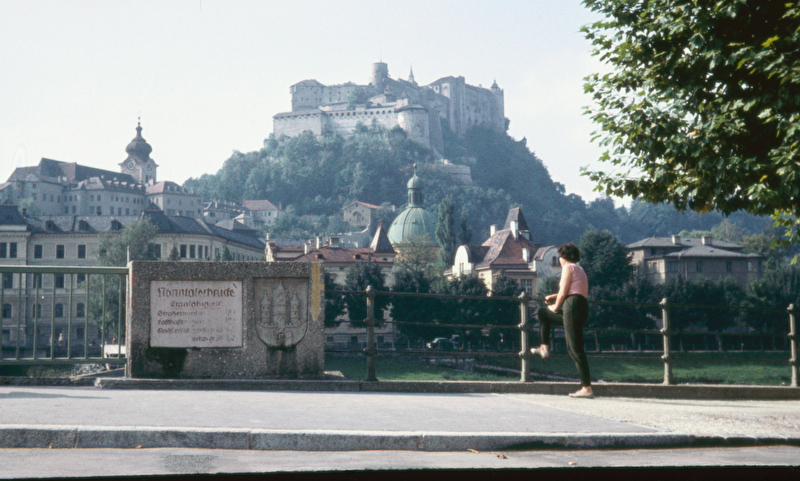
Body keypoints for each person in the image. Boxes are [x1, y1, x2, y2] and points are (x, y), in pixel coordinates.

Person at [531, 243, 593, 398]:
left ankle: (587, 388)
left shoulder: (567, 268)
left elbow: (564, 291)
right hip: (581, 307)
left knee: (575, 349)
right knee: (543, 314)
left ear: (562, 257)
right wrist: (554, 297)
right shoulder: (580, 269)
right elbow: (575, 291)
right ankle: (544, 348)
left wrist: (555, 307)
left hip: (571, 307)